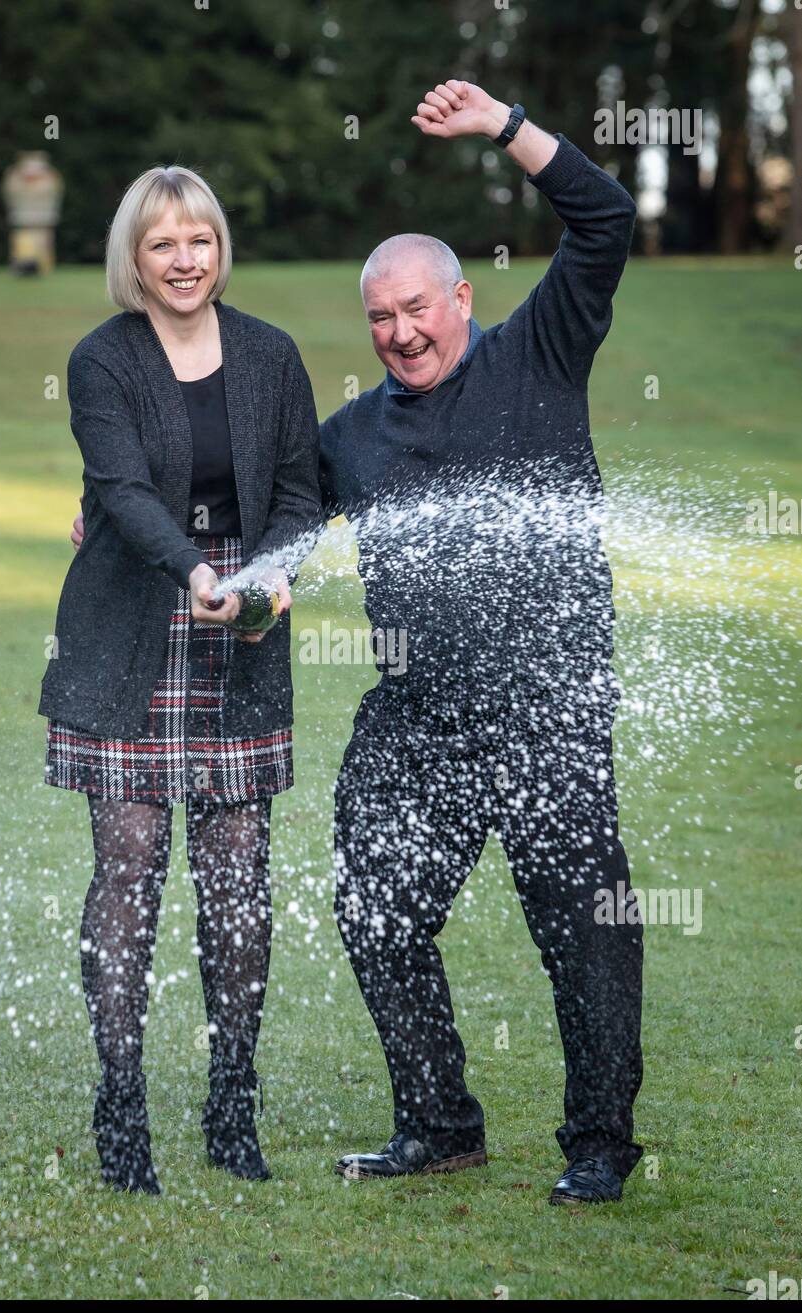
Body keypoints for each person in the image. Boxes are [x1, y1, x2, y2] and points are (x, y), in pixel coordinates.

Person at [321, 80, 644, 1204]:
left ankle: (600, 1143)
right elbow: (255, 517)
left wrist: (506, 127)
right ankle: (440, 1122)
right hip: (416, 714)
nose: (401, 332)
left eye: (417, 307)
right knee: (373, 901)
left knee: (584, 926)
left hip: (550, 699)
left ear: (461, 297)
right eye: (379, 318)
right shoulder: (351, 435)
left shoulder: (539, 353)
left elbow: (606, 222)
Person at [40, 164, 321, 1191]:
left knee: (239, 879)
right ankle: (122, 1108)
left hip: (239, 635)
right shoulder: (100, 360)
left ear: (218, 247)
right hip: (131, 629)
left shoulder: (272, 355)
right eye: (163, 243)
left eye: (198, 238)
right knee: (128, 869)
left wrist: (269, 577)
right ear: (136, 259)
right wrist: (201, 570)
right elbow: (116, 489)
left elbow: (300, 495)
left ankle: (232, 1105)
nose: (185, 258)